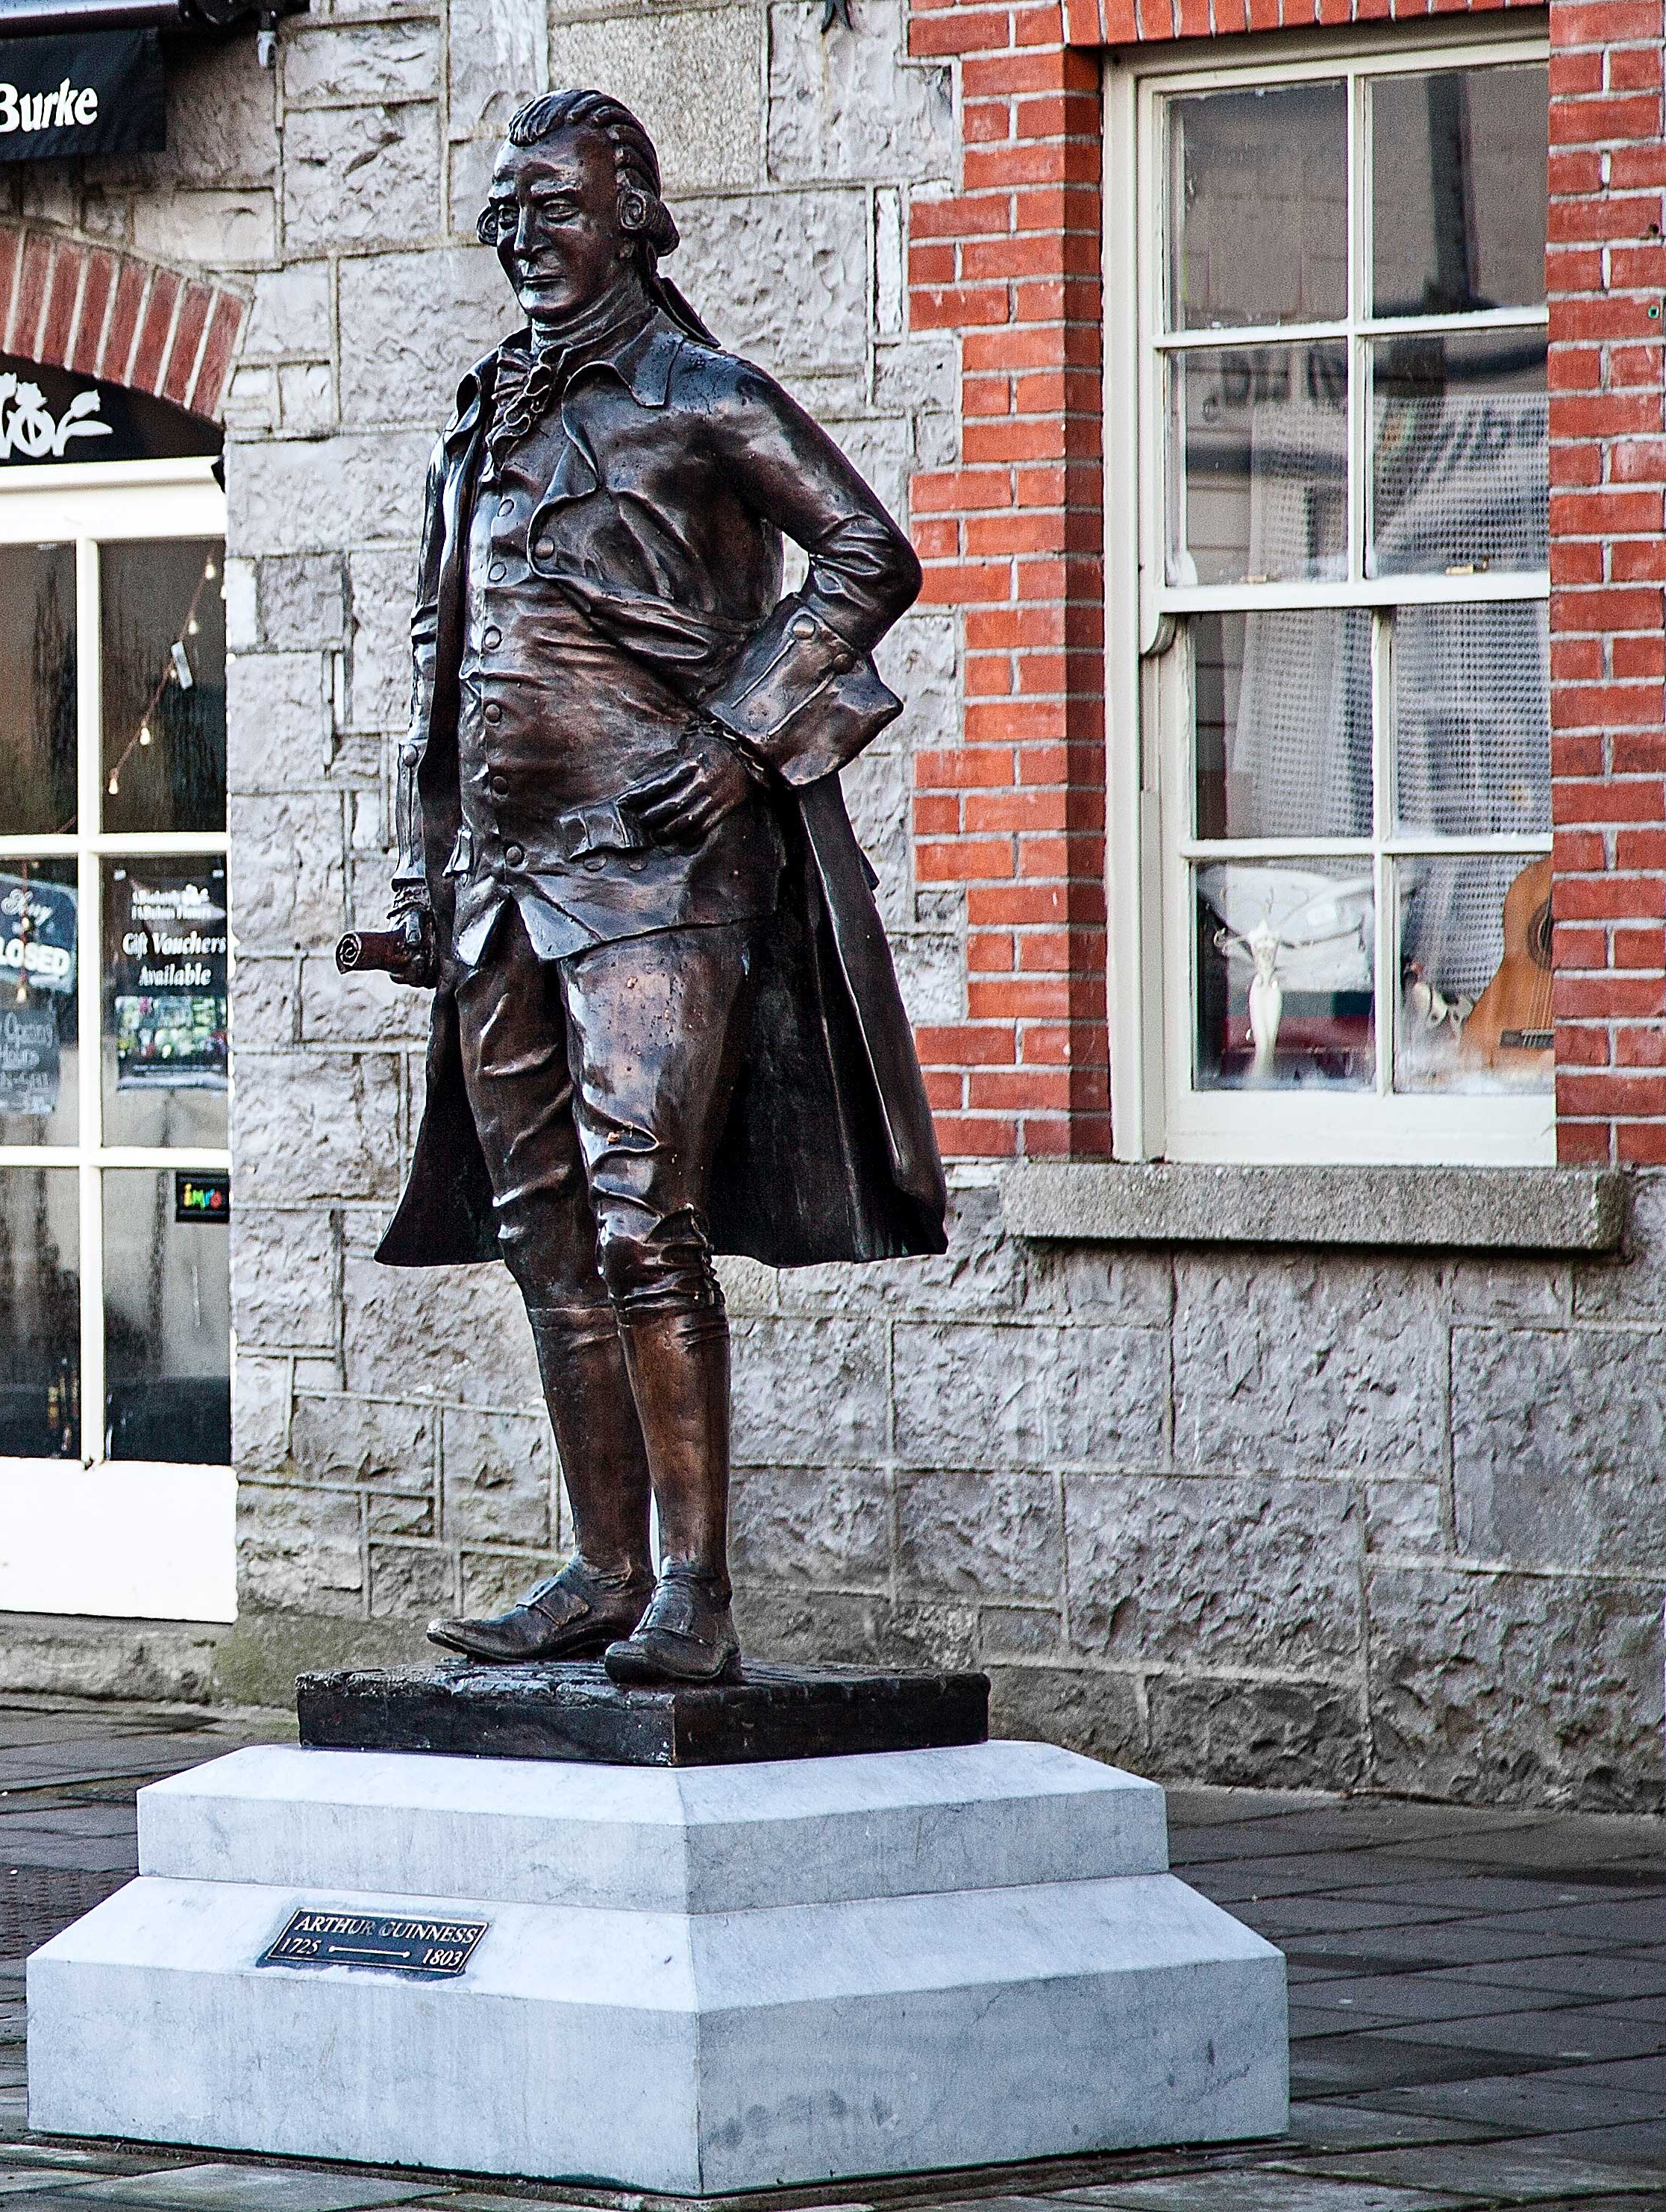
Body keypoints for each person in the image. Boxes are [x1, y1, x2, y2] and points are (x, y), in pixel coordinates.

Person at [357, 88, 948, 1685]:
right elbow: (443, 653)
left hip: (658, 868)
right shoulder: (478, 412)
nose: (524, 234)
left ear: (634, 218)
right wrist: (416, 878)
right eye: (507, 206)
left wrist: (751, 740)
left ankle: (693, 1584)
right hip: (497, 884)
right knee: (539, 1229)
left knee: (640, 1219)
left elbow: (865, 555)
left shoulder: (699, 393)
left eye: (555, 203)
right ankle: (600, 1564)